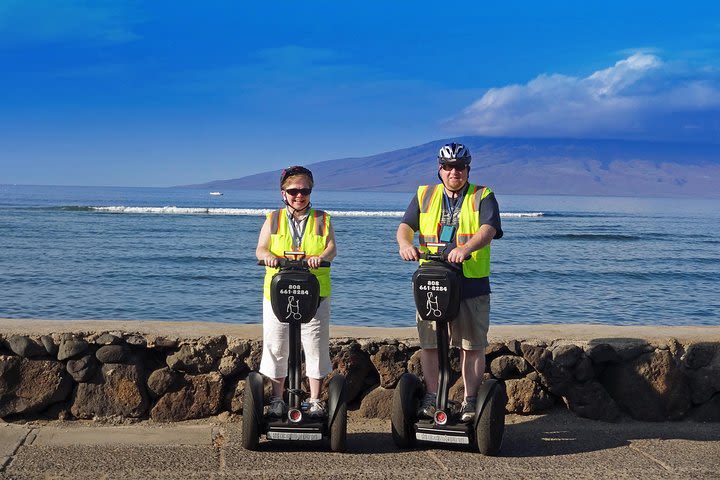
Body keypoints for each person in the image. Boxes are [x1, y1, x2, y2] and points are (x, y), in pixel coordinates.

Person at [396, 143, 503, 422]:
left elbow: (488, 229)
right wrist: (405, 245)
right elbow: (406, 225)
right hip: (432, 281)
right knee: (430, 343)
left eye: (460, 167)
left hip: (471, 282)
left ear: (467, 169)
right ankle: (432, 397)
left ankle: (469, 401)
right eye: (448, 167)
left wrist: (465, 249)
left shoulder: (482, 195)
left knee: (471, 344)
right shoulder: (425, 194)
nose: (454, 172)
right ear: (440, 170)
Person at [256, 165, 337, 418]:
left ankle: (314, 400)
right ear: (283, 193)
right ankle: (278, 399)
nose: (299, 196)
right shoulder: (273, 219)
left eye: (304, 190)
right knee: (277, 345)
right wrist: (268, 257)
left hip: (315, 292)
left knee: (315, 345)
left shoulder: (323, 219)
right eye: (293, 191)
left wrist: (320, 257)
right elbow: (260, 249)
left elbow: (332, 249)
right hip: (278, 294)